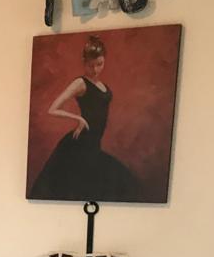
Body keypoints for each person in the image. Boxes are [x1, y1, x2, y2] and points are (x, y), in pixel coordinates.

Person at [29, 35, 137, 201]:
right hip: (80, 144)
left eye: (99, 64)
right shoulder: (80, 83)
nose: (95, 70)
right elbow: (53, 109)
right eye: (90, 65)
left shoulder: (102, 85)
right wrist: (79, 119)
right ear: (84, 62)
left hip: (94, 145)